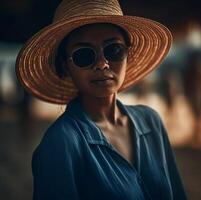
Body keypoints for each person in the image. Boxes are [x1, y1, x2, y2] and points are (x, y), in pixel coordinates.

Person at [16, 0, 187, 199]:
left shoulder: (151, 122)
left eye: (114, 50)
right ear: (65, 66)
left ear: (127, 55)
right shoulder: (60, 144)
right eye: (84, 55)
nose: (102, 64)